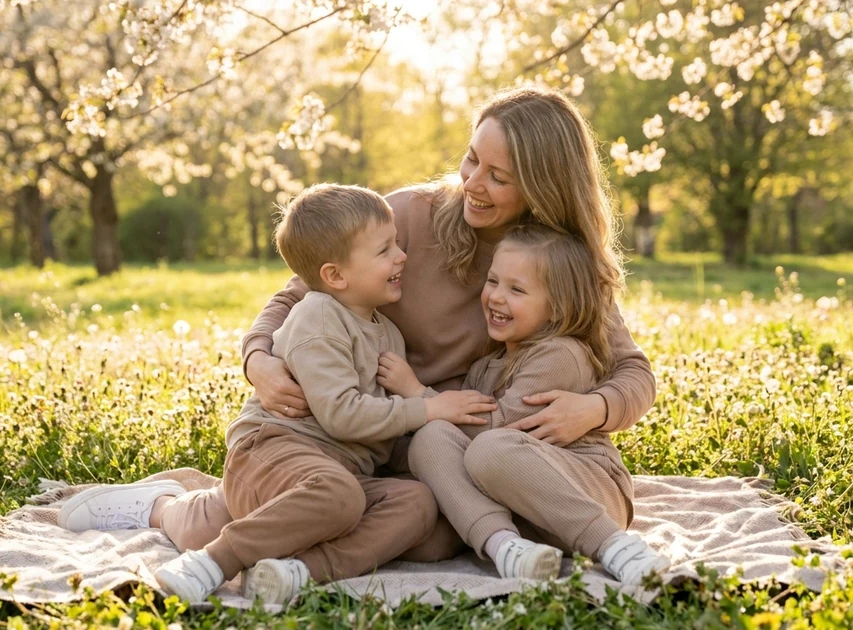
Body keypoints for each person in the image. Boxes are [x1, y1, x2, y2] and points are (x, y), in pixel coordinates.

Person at [242, 86, 658, 561]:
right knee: (424, 535)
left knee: (441, 522)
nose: (473, 183)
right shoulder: (406, 217)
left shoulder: (560, 261)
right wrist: (259, 360)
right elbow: (295, 296)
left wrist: (595, 409)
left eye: (498, 176)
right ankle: (168, 510)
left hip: (496, 449)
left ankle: (580, 543)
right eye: (471, 159)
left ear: (544, 188)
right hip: (409, 444)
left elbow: (634, 372)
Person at [56, 184, 496, 605]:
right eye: (385, 250)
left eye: (397, 243)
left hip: (336, 470)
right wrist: (426, 407)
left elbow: (380, 433)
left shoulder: (389, 336)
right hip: (273, 449)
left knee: (415, 503)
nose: (402, 256)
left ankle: (298, 572)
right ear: (335, 275)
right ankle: (202, 551)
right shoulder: (318, 317)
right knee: (331, 499)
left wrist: (428, 419)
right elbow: (343, 416)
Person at [380, 225, 669, 584]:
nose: (497, 297)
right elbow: (454, 436)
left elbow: (495, 428)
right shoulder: (485, 366)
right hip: (529, 514)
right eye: (493, 282)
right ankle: (506, 548)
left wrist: (418, 394)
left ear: (557, 308)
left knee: (489, 447)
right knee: (432, 438)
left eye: (516, 290)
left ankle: (615, 547)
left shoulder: (560, 354)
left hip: (591, 493)